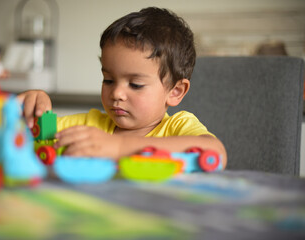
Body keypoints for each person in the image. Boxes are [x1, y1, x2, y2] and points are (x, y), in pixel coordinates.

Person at [18, 7, 227, 167]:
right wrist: (31, 109)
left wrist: (118, 147)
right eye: (108, 80)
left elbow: (216, 153)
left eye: (135, 85)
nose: (116, 93)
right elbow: (26, 138)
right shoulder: (90, 124)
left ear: (175, 91)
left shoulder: (177, 127)